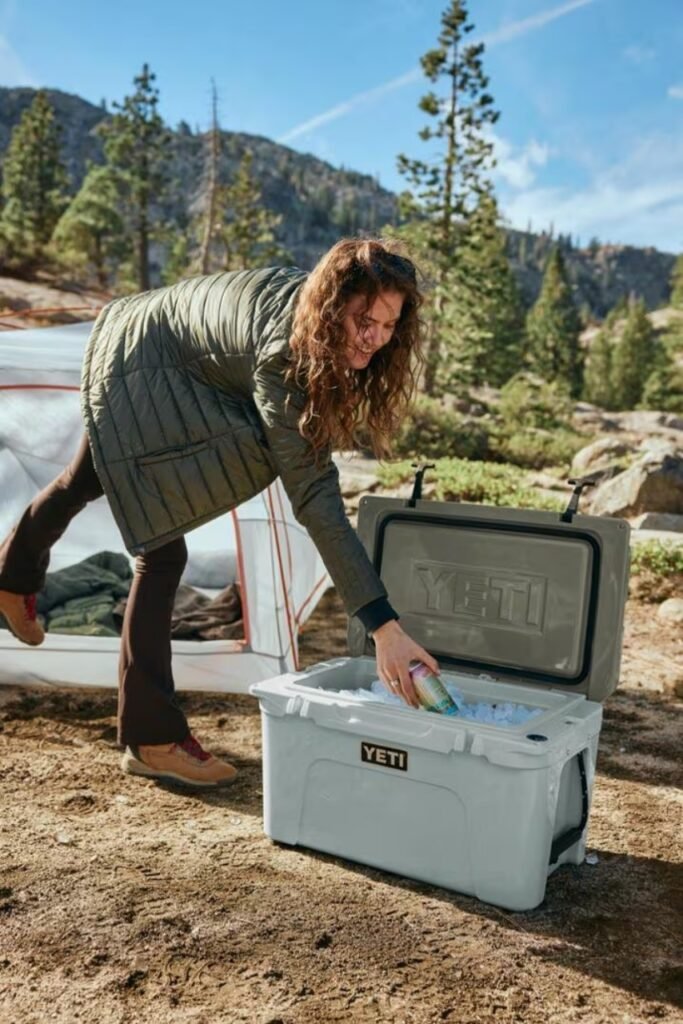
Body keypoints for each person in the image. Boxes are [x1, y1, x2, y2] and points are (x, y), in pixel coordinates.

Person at [0, 238, 440, 788]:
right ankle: (152, 739)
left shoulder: (306, 317)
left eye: (388, 325)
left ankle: (12, 574)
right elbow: (315, 495)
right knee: (161, 550)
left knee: (83, 479)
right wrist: (383, 626)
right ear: (333, 305)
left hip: (148, 348)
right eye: (364, 320)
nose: (375, 338)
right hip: (144, 364)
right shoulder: (287, 352)